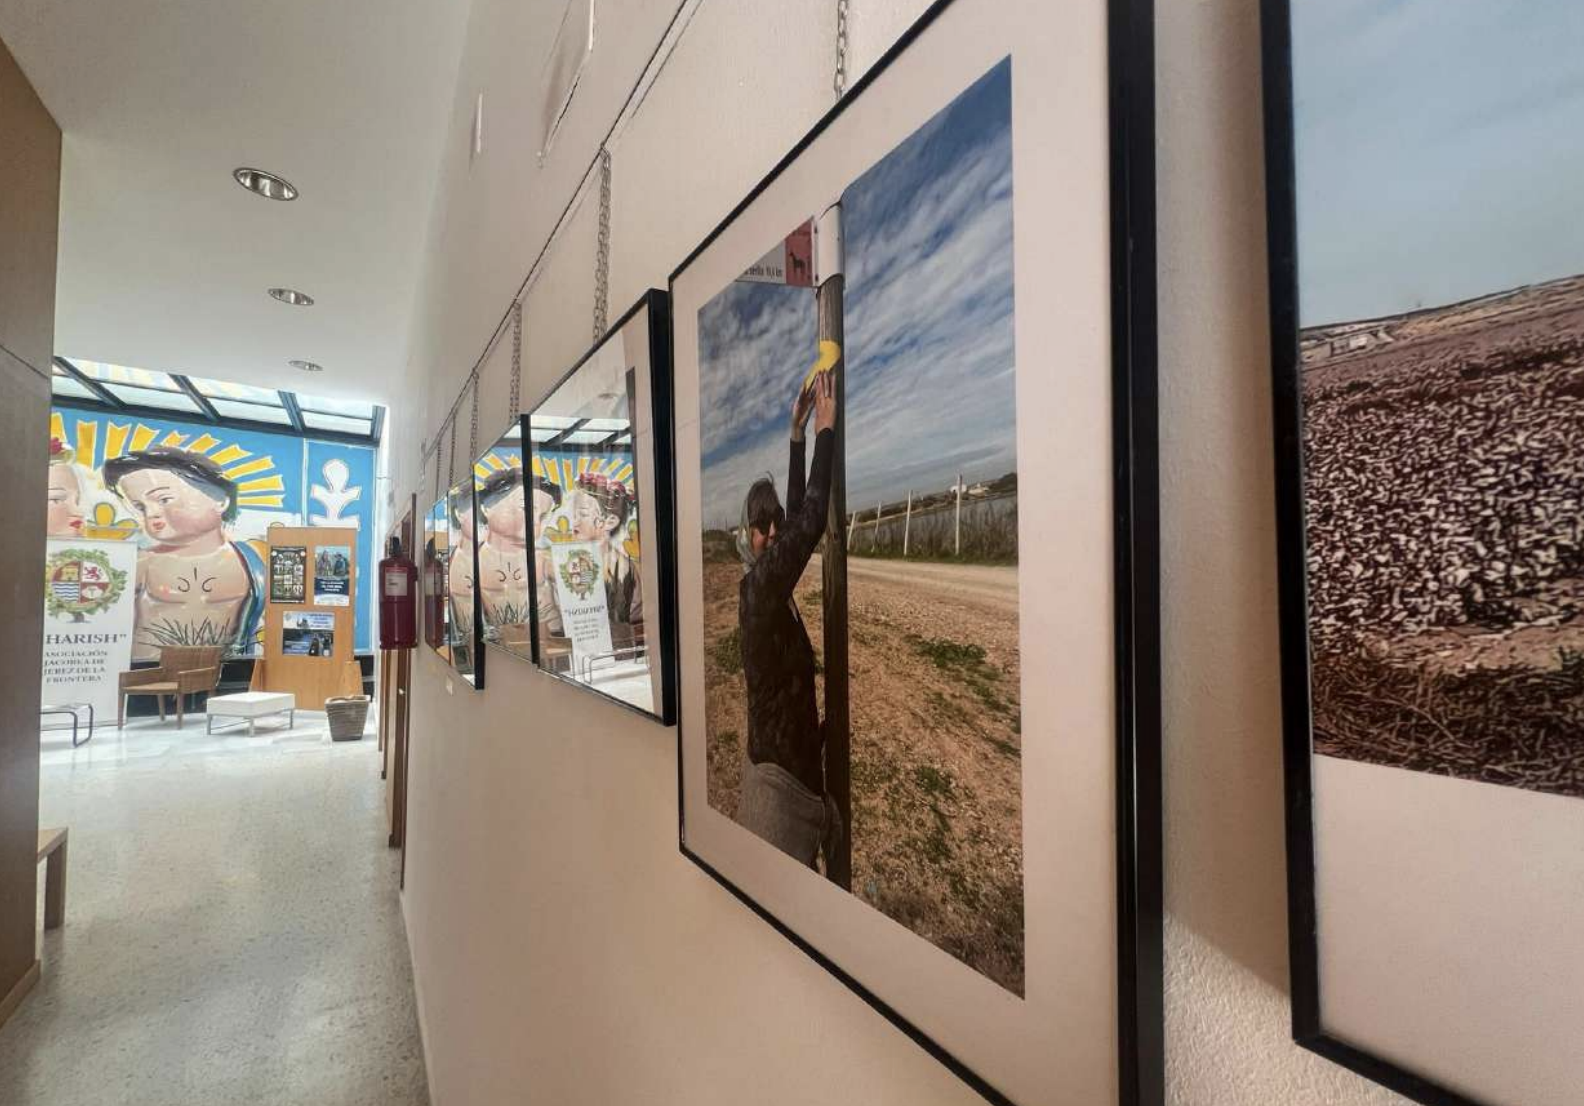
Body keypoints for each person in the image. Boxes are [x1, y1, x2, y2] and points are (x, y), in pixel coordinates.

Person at [734, 369, 839, 868]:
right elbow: (812, 518)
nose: (772, 532)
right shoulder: (757, 591)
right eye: (761, 525)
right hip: (777, 802)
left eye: (773, 521)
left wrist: (795, 436)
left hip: (794, 782)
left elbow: (795, 521)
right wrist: (825, 429)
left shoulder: (770, 585)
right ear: (745, 531)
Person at [103, 447, 265, 661]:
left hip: (229, 676)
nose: (152, 513)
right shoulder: (140, 564)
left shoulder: (254, 562)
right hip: (150, 679)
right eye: (140, 506)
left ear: (220, 500)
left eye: (164, 499)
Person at [475, 467, 530, 632]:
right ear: (486, 509)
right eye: (508, 509)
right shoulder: (476, 561)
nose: (518, 517)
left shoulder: (533, 558)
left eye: (521, 509)